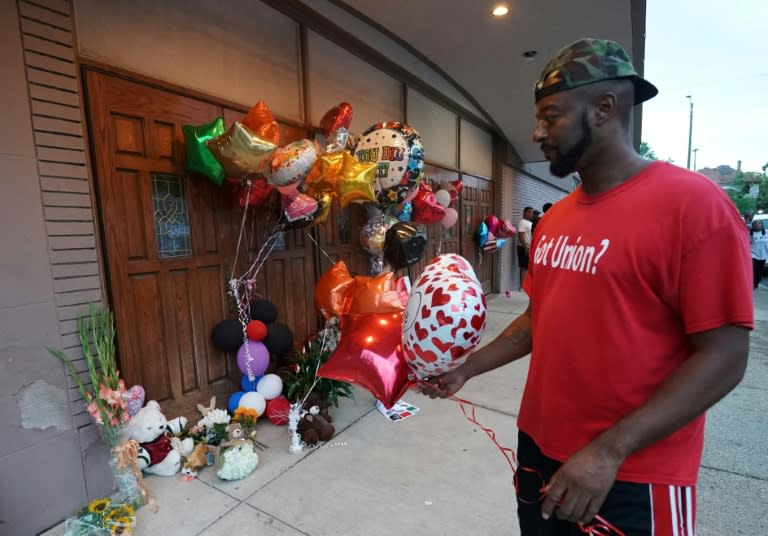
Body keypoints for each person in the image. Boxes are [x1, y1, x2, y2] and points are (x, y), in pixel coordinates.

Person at [423, 38, 753, 535]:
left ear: (604, 108)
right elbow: (540, 319)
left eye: (551, 115)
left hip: (632, 473)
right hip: (540, 450)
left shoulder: (693, 206)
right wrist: (468, 368)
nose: (537, 132)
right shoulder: (555, 220)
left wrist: (609, 449)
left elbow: (725, 356)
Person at [517, 206, 534, 288]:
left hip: (529, 247)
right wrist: (525, 248)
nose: (531, 214)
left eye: (532, 212)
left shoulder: (529, 223)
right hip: (523, 247)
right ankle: (522, 286)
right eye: (529, 212)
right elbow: (521, 236)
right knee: (524, 267)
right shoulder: (522, 222)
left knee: (527, 267)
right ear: (524, 212)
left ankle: (526, 285)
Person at [750, 219, 768, 289]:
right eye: (755, 223)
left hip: (763, 255)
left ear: (762, 225)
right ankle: (751, 285)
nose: (757, 225)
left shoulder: (766, 232)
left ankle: (755, 284)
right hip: (753, 255)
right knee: (753, 271)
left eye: (759, 223)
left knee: (759, 273)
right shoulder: (749, 234)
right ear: (753, 225)